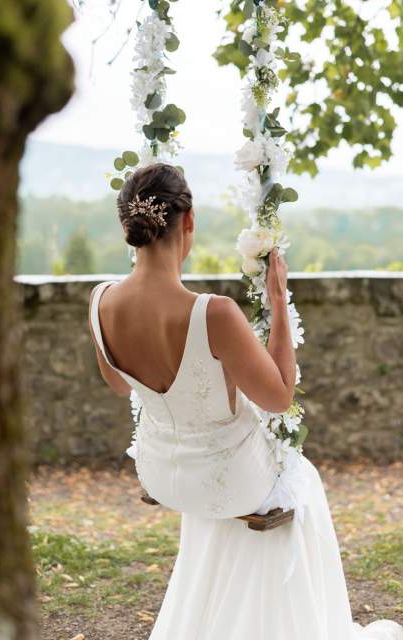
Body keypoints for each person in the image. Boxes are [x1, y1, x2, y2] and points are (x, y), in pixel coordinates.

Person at [88, 162, 402, 640]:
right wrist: (278, 300)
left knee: (252, 477)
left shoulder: (101, 300)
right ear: (188, 220)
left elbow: (118, 384)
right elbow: (278, 397)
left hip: (164, 472)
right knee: (302, 480)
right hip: (227, 480)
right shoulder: (213, 313)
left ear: (128, 226)